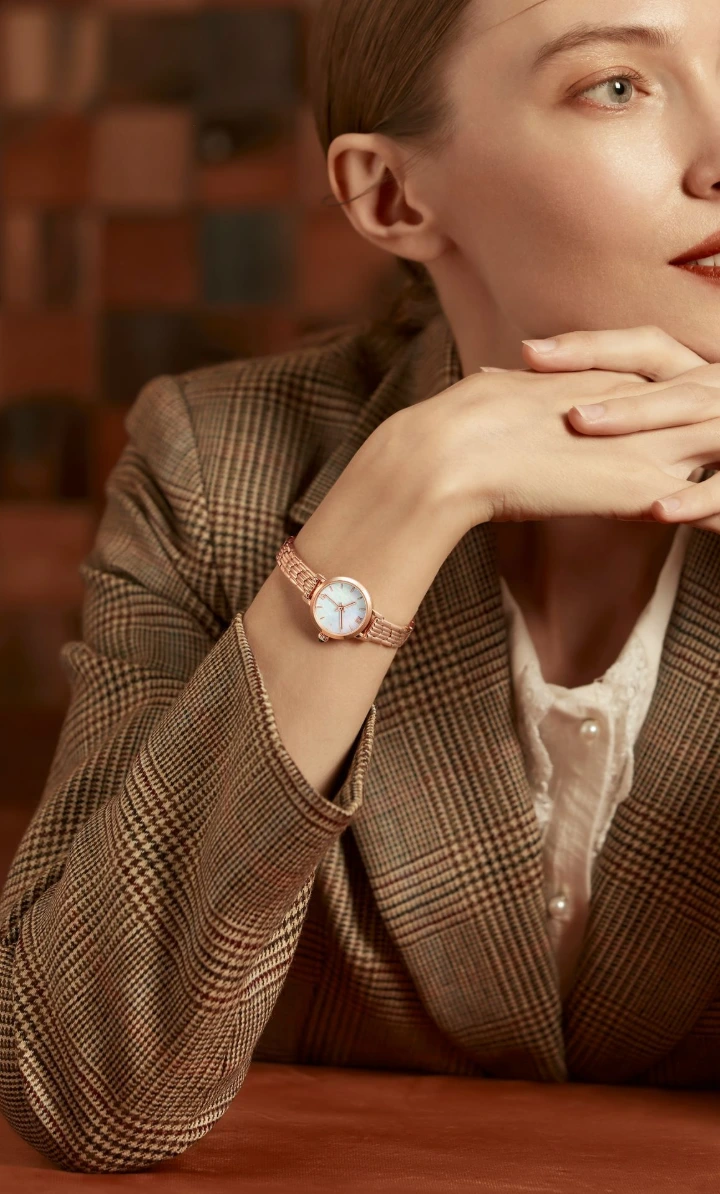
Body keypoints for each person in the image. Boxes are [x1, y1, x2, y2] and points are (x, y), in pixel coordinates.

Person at [2, 0, 720, 1174]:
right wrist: (403, 494)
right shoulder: (219, 459)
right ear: (391, 195)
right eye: (618, 86)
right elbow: (91, 1088)